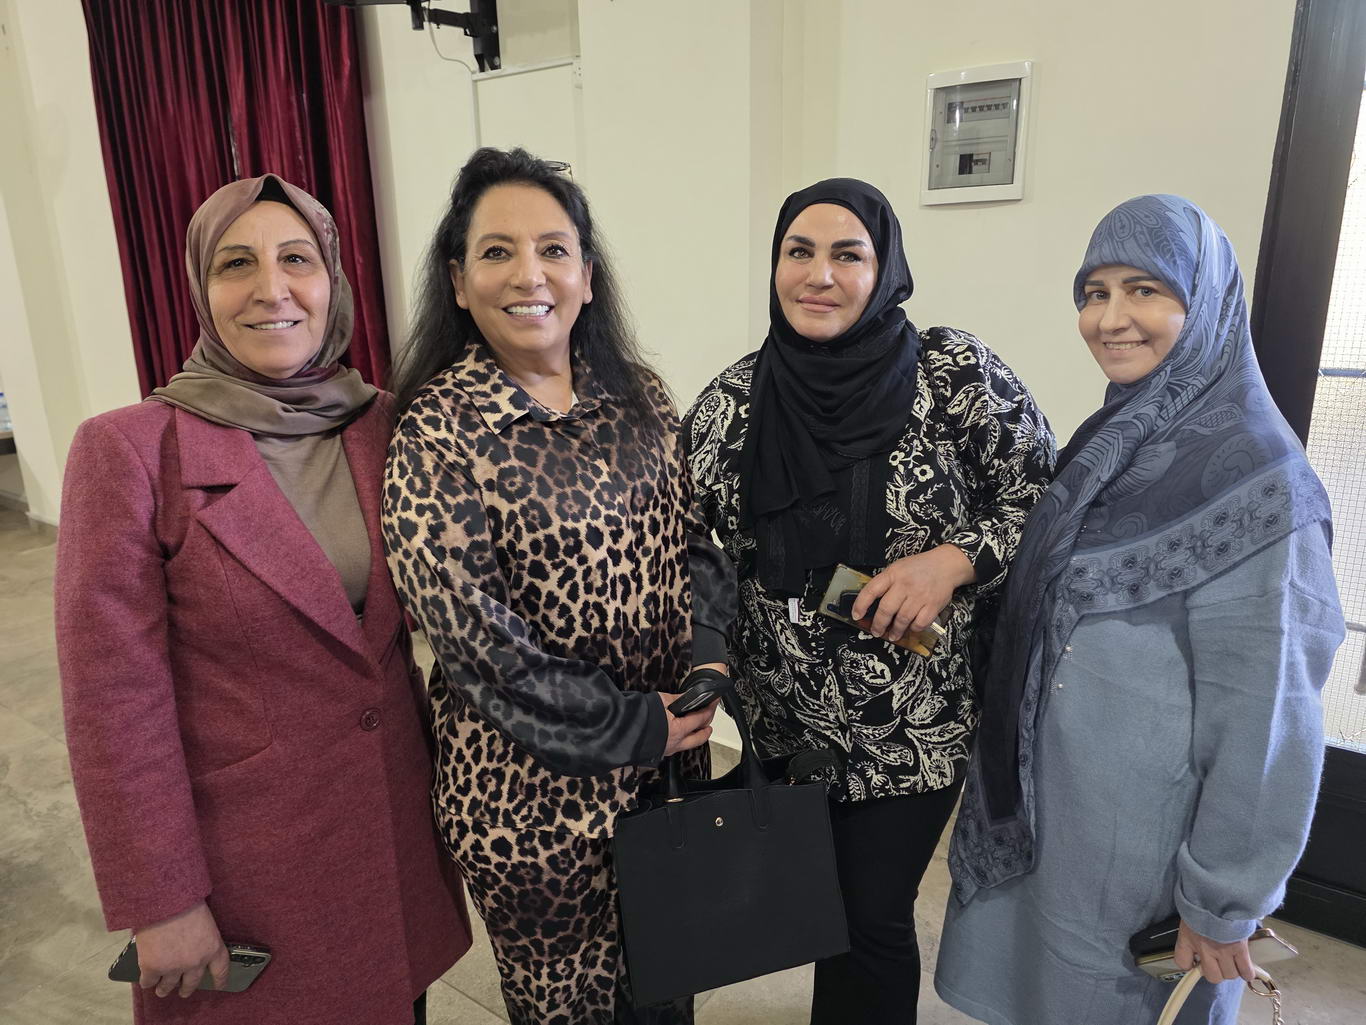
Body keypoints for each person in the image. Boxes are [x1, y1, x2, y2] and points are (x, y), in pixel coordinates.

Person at [54, 174, 471, 1025]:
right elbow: (112, 703)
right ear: (201, 289)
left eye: (298, 260)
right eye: (236, 263)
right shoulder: (132, 451)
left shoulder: (384, 424)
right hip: (251, 875)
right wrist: (161, 900)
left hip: (392, 844)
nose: (271, 288)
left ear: (333, 281)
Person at [936, 194, 1346, 1025]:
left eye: (1145, 289)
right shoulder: (1113, 444)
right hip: (1059, 826)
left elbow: (1268, 725)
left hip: (1143, 858)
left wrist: (1222, 899)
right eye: (1094, 292)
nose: (1110, 318)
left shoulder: (1261, 485)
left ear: (1206, 303)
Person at [682, 178, 1055, 1025]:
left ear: (883, 270)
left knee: (873, 917)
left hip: (914, 725)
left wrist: (953, 561)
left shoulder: (952, 375)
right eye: (799, 252)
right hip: (785, 722)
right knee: (823, 909)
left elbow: (1041, 499)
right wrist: (707, 655)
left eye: (847, 254)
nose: (820, 274)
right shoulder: (732, 404)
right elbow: (695, 552)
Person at [381, 147, 735, 1025]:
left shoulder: (639, 395)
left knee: (669, 988)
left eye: (553, 249)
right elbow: (482, 647)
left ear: (586, 273)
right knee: (568, 1011)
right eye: (497, 251)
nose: (529, 274)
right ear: (458, 281)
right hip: (532, 810)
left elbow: (697, 543)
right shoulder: (437, 430)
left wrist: (710, 657)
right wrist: (635, 723)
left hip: (665, 775)